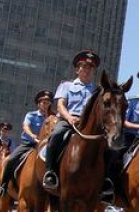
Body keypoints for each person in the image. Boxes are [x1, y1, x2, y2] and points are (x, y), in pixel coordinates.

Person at [43, 50, 101, 191]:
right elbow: (61, 105)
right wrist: (69, 118)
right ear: (77, 69)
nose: (87, 70)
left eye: (90, 67)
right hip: (69, 121)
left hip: (88, 124)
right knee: (56, 135)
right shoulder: (66, 86)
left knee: (106, 143)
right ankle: (50, 171)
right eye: (84, 67)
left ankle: (105, 179)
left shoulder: (98, 90)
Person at [0, 90, 53, 196]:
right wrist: (33, 136)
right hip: (29, 144)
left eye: (48, 103)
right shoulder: (31, 115)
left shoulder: (51, 118)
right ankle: (3, 186)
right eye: (43, 103)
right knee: (10, 160)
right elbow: (25, 126)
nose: (45, 105)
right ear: (38, 104)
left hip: (44, 146)